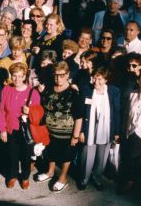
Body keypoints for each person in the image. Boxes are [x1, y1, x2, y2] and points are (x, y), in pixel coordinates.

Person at [36, 61, 83, 192]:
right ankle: (50, 172)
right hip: (49, 130)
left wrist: (76, 135)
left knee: (66, 155)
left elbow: (79, 117)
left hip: (67, 133)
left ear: (68, 74)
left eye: (62, 75)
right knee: (50, 151)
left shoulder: (74, 93)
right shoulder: (49, 88)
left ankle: (63, 177)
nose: (58, 78)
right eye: (56, 75)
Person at [0, 63, 41, 189]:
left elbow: (39, 115)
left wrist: (31, 111)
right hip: (11, 128)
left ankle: (25, 177)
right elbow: (1, 111)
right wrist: (2, 130)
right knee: (12, 154)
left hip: (27, 130)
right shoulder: (6, 89)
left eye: (19, 76)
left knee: (26, 155)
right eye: (14, 76)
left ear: (24, 76)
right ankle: (13, 175)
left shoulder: (33, 93)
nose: (16, 79)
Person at [76, 67, 121, 191]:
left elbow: (117, 112)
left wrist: (117, 131)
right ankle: (84, 178)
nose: (96, 81)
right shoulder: (86, 90)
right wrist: (81, 131)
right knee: (87, 155)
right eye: (94, 78)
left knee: (102, 156)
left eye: (100, 79)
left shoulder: (113, 91)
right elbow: (81, 111)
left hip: (106, 129)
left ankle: (97, 177)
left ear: (106, 80)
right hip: (89, 128)